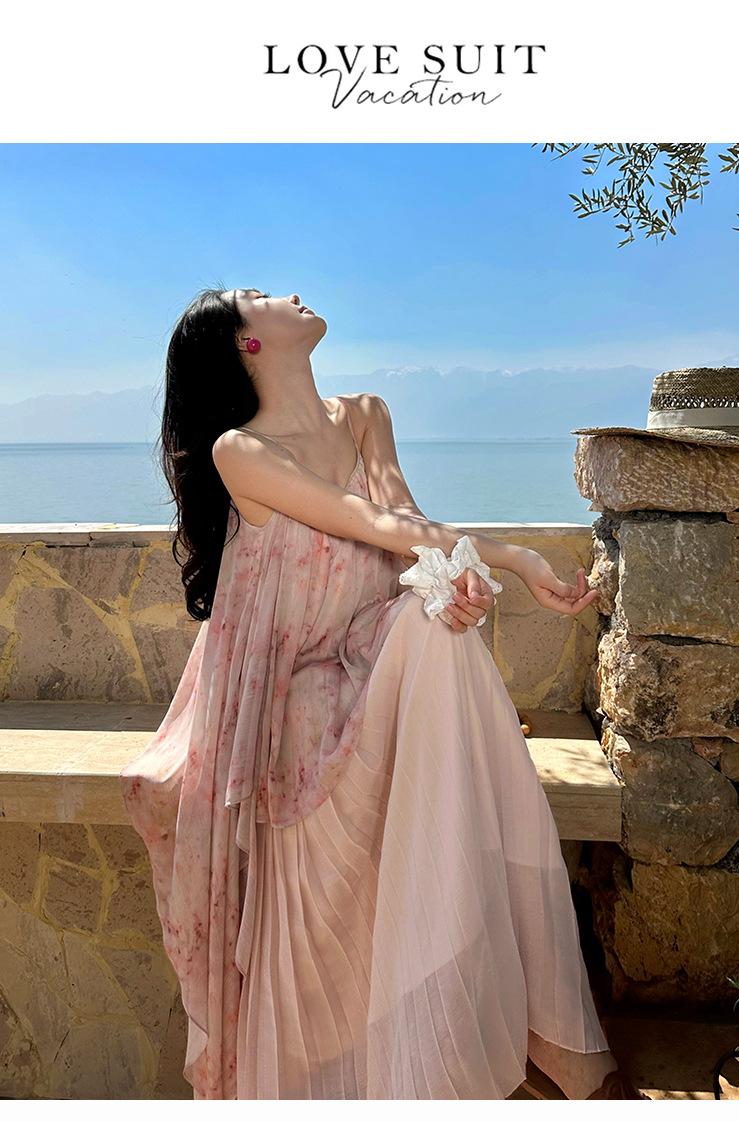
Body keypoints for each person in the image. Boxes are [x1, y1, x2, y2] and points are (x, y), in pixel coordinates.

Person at [120, 287, 648, 1100]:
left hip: (366, 655)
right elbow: (370, 524)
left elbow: (408, 530)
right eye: (259, 298)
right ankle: (430, 1062)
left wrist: (450, 586)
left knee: (441, 629)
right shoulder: (240, 450)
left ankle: (508, 1034)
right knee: (414, 656)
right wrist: (511, 558)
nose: (288, 293)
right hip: (287, 690)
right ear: (246, 344)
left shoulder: (366, 414)